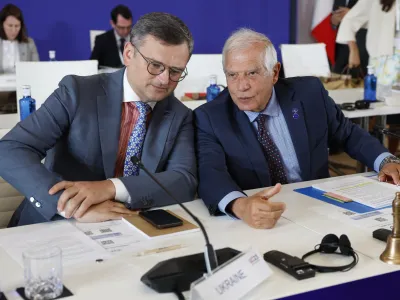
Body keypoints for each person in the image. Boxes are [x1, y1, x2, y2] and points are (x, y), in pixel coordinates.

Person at [0, 12, 197, 227]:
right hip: (56, 222)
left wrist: (110, 187)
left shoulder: (180, 115)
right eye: (155, 66)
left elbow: (183, 180)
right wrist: (71, 206)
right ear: (129, 53)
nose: (165, 79)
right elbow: (11, 149)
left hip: (130, 227)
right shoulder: (77, 92)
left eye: (176, 71)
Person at [194, 28, 400, 230]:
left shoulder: (308, 94)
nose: (241, 86)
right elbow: (210, 173)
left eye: (251, 73)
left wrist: (386, 160)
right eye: (232, 75)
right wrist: (240, 205)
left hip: (320, 208)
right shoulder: (211, 117)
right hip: (258, 220)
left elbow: (348, 134)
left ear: (274, 72)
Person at [331, 0, 369, 76]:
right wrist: (333, 21)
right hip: (341, 50)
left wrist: (353, 14)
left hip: (363, 46)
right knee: (338, 82)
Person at [0, 3, 39, 73]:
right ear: (2, 24)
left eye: (17, 26)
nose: (13, 30)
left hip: (23, 83)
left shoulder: (29, 43)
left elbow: (36, 70)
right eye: (10, 25)